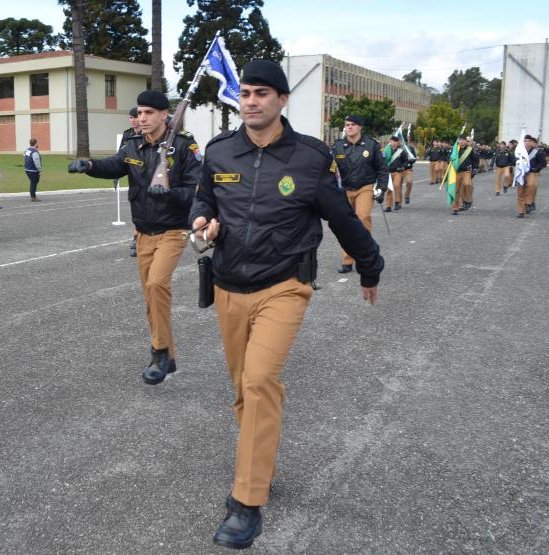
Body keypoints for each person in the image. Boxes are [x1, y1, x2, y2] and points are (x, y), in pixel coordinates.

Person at [189, 60, 383, 549]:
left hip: (284, 286)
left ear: (281, 100)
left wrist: (369, 264)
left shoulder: (312, 158)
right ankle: (261, 460)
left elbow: (342, 217)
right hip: (229, 285)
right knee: (242, 387)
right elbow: (202, 200)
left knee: (259, 380)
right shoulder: (219, 152)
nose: (250, 101)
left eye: (260, 93)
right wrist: (201, 222)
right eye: (245, 93)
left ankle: (247, 499)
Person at [68, 90, 201, 384]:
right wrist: (89, 165)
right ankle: (169, 356)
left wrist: (169, 194)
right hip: (142, 232)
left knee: (157, 284)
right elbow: (114, 166)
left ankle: (159, 352)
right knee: (150, 296)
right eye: (139, 112)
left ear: (165, 115)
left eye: (149, 113)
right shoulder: (132, 144)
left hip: (172, 231)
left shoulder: (183, 147)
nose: (142, 118)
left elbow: (196, 191)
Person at [330, 114, 388, 273]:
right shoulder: (338, 146)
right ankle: (347, 261)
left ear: (360, 127)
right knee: (346, 225)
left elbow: (382, 168)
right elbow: (330, 170)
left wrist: (381, 188)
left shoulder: (371, 145)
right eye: (347, 124)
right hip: (345, 189)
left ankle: (365, 259)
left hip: (365, 187)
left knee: (362, 219)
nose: (349, 127)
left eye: (353, 124)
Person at [122, 107, 141, 257]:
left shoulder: (148, 134)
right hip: (133, 177)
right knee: (136, 209)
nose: (133, 120)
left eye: (135, 117)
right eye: (131, 117)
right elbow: (120, 156)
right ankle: (138, 237)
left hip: (147, 176)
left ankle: (137, 239)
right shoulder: (127, 135)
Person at [517, 134, 547, 218]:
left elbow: (543, 163)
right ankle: (521, 211)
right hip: (521, 173)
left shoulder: (537, 152)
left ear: (531, 142)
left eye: (528, 141)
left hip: (531, 172)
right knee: (521, 192)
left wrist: (536, 169)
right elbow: (514, 160)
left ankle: (529, 202)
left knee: (531, 185)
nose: (526, 143)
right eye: (525, 141)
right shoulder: (519, 151)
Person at [451, 135, 478, 216]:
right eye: (460, 140)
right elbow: (449, 157)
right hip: (456, 172)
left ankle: (467, 200)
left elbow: (475, 159)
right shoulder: (455, 149)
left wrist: (475, 169)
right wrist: (449, 159)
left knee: (468, 184)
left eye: (463, 140)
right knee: (456, 190)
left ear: (466, 141)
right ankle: (455, 208)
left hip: (466, 171)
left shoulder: (469, 150)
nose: (461, 141)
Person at [383, 135, 409, 212]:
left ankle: (397, 202)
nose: (392, 143)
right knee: (388, 189)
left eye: (393, 141)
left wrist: (403, 167)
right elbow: (383, 161)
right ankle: (388, 206)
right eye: (390, 141)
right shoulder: (387, 151)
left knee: (397, 185)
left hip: (398, 172)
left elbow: (405, 161)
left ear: (397, 142)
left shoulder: (401, 151)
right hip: (388, 172)